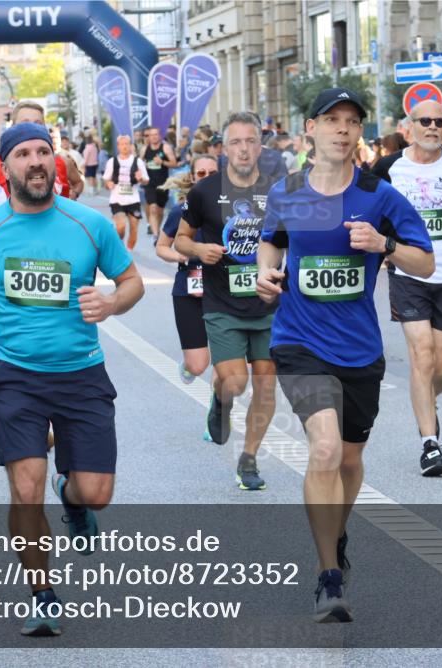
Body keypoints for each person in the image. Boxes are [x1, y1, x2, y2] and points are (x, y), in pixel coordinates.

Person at [0, 123, 143, 637]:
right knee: (24, 490)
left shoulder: (88, 224)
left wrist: (114, 301)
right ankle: (43, 594)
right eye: (23, 154)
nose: (36, 161)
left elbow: (132, 280)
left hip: (82, 374)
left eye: (44, 152)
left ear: (56, 162)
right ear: (4, 168)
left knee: (96, 494)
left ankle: (72, 499)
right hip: (16, 379)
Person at [256, 88, 434, 622]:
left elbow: (424, 263)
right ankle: (327, 574)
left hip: (358, 348)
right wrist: (266, 272)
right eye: (331, 120)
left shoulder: (380, 196)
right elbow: (272, 241)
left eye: (352, 122)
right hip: (299, 341)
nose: (342, 129)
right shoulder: (287, 193)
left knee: (351, 459)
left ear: (360, 133)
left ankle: (338, 530)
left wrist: (384, 247)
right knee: (327, 449)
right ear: (309, 128)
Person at [373, 100, 442, 477]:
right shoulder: (388, 167)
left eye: (440, 121)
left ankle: (426, 403)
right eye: (426, 121)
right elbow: (365, 208)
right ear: (410, 126)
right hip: (407, 274)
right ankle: (429, 444)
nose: (433, 127)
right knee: (421, 355)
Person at [174, 111, 280, 492]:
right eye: (235, 142)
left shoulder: (277, 189)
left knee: (266, 386)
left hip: (269, 304)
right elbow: (180, 240)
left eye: (250, 141)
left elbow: (294, 238)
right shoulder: (205, 191)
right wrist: (200, 248)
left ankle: (248, 460)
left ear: (260, 146)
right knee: (234, 383)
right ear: (224, 148)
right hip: (223, 303)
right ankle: (222, 402)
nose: (243, 149)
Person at [155, 155, 219, 384]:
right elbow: (161, 247)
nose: (207, 178)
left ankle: (219, 413)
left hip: (223, 291)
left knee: (225, 362)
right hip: (189, 290)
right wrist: (180, 255)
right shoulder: (182, 210)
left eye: (213, 173)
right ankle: (189, 365)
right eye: (201, 173)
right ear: (193, 177)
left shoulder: (234, 211)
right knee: (198, 364)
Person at [0, 102, 73, 226]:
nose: (31, 128)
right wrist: (6, 221)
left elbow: (65, 205)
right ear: (13, 126)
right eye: (25, 123)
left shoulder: (58, 162)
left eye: (38, 123)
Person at [104, 135, 150, 250]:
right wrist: (108, 183)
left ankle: (128, 252)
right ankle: (119, 247)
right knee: (121, 227)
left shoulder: (137, 161)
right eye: (122, 144)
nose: (124, 146)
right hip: (117, 199)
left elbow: (146, 180)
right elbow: (106, 179)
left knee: (134, 229)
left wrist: (141, 179)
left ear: (130, 146)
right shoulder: (112, 161)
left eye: (127, 144)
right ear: (118, 146)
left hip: (133, 199)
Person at [142, 126, 178, 238]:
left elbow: (174, 163)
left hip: (163, 183)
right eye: (151, 135)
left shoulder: (165, 147)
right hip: (149, 183)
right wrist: (141, 167)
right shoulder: (145, 149)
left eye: (155, 134)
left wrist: (162, 162)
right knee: (153, 208)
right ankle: (155, 234)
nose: (153, 137)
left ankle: (157, 228)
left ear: (159, 136)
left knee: (160, 210)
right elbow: (139, 162)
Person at [82, 130, 100, 196]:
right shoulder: (94, 147)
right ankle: (95, 190)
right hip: (95, 163)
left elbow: (86, 157)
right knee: (94, 177)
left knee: (90, 178)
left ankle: (91, 191)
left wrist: (84, 164)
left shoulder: (88, 148)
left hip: (89, 164)